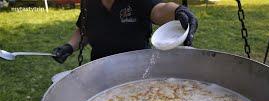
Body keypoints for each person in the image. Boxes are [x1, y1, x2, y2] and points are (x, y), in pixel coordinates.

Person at [52, 0, 198, 63]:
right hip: (100, 69)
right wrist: (69, 46)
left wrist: (178, 11)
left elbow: (158, 10)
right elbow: (84, 30)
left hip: (137, 69)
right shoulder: (89, 2)